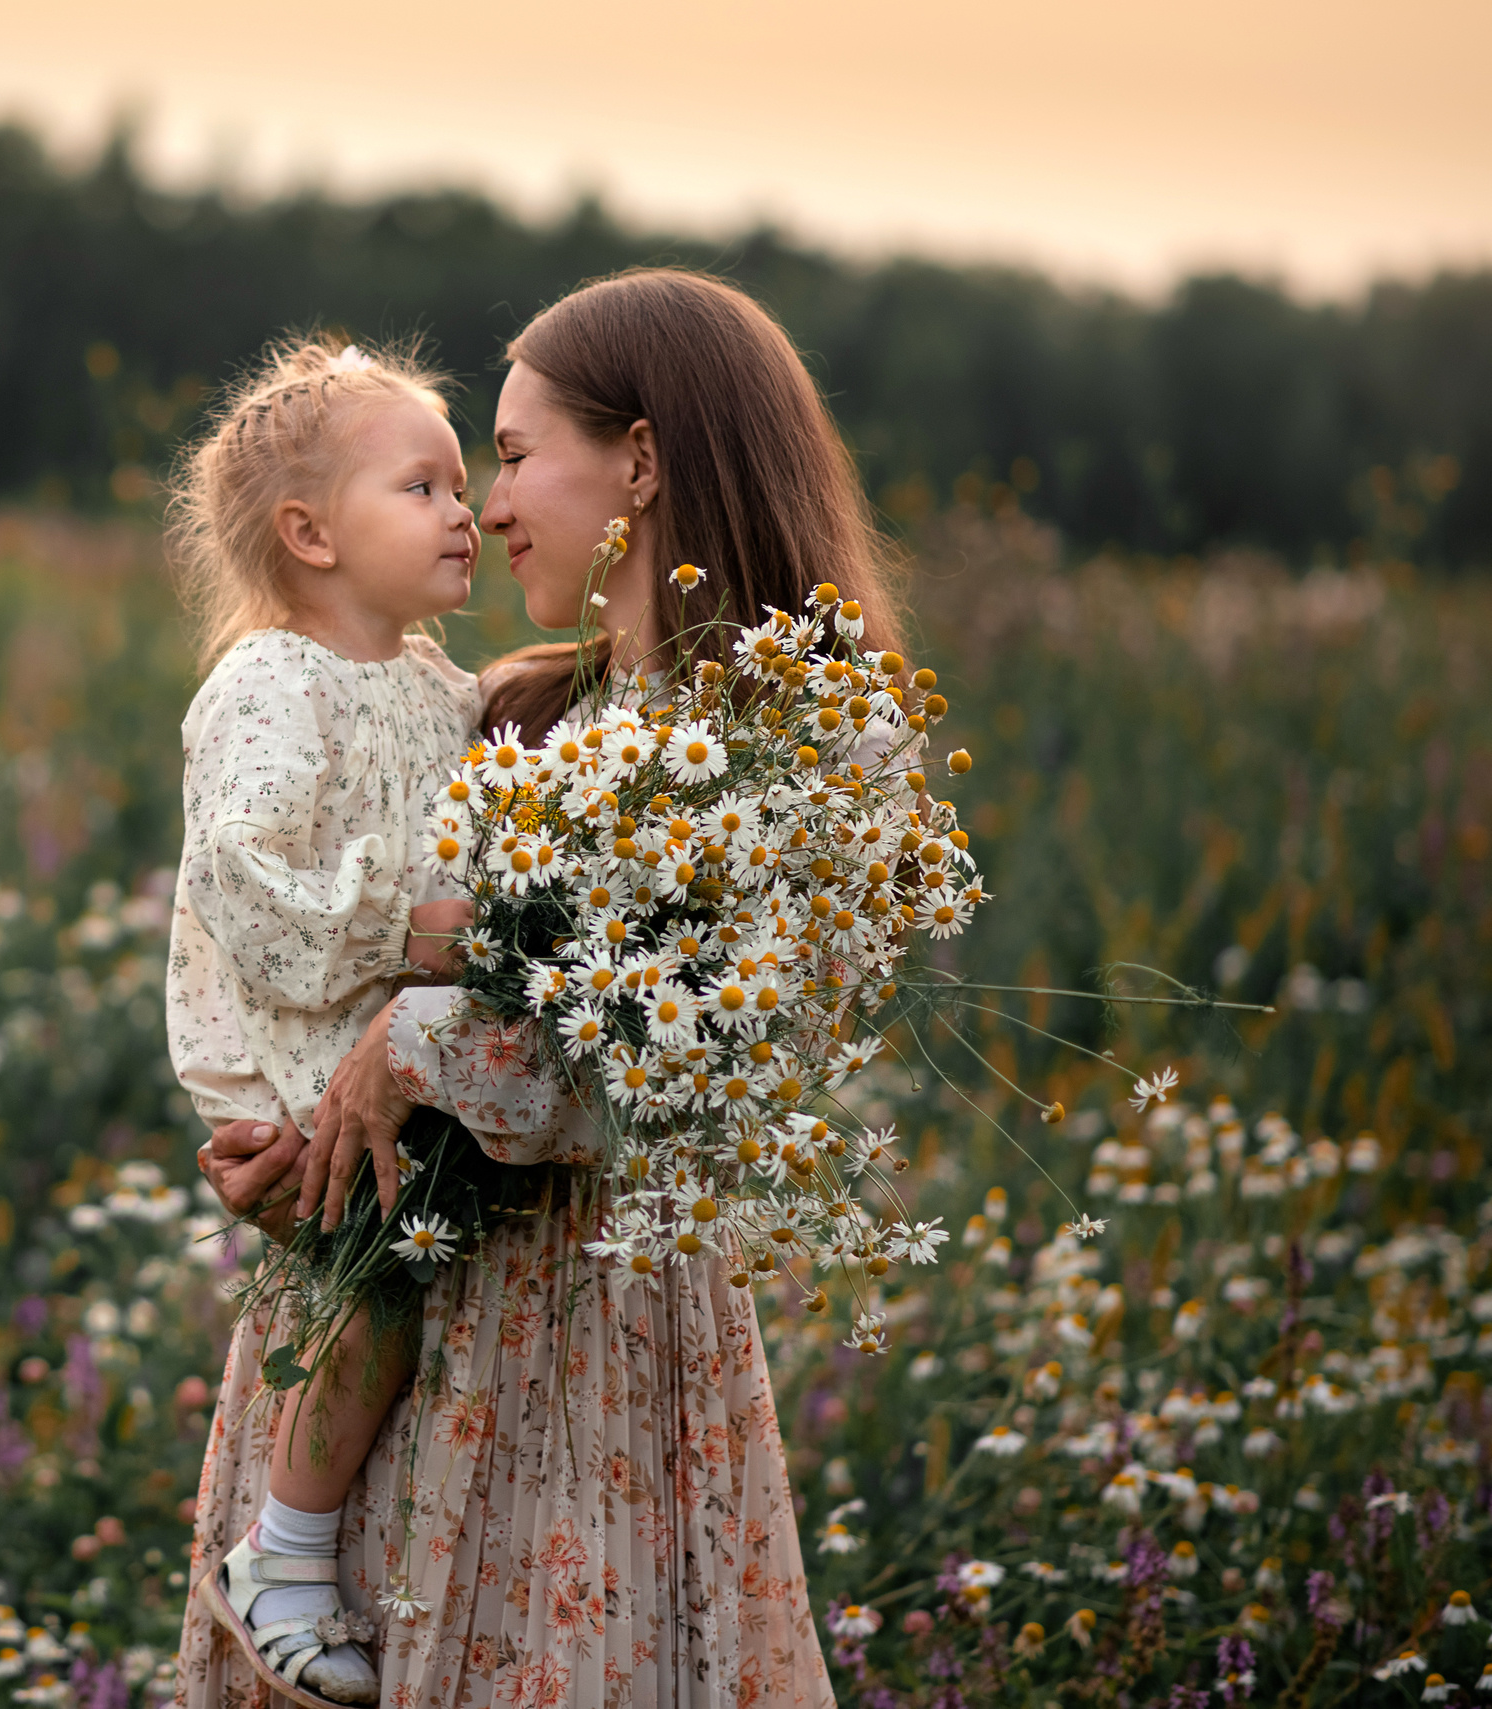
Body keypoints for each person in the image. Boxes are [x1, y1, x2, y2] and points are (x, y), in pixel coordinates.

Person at [183, 270, 905, 1709]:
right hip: (389, 1312)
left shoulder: (811, 731)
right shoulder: (513, 709)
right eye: (467, 470)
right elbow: (290, 921)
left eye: (512, 457)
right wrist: (305, 1133)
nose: (489, 506)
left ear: (642, 457)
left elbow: (737, 1051)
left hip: (601, 1355)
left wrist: (416, 1045)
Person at [161, 336, 488, 1703]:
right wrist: (411, 920)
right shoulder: (268, 683)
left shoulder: (439, 687)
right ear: (311, 533)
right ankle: (282, 1550)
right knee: (383, 1285)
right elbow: (251, 887)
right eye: (423, 485)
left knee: (419, 1261)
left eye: (467, 484)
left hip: (383, 1041)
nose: (465, 510)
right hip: (295, 1044)